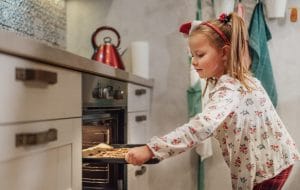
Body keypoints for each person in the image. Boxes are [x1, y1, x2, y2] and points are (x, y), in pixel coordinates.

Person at [125, 13, 300, 190]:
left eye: (200, 55)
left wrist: (151, 149)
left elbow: (202, 126)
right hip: (274, 161)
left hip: (267, 167)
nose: (193, 62)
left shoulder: (230, 88)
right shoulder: (237, 80)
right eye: (191, 55)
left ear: (224, 52)